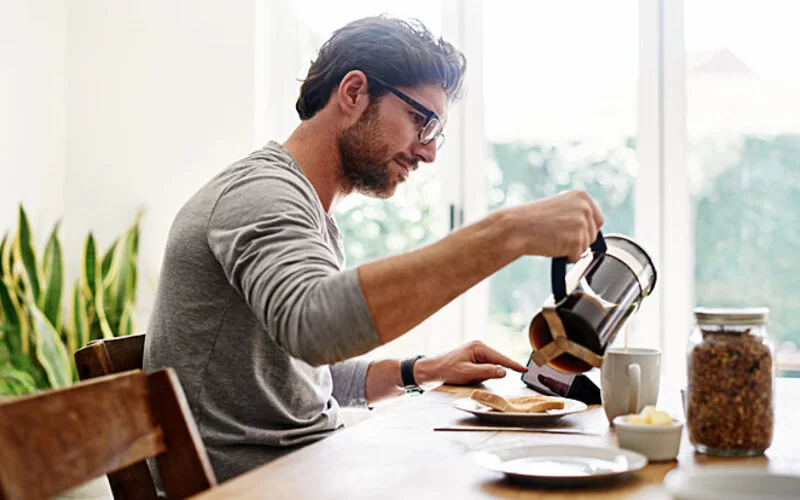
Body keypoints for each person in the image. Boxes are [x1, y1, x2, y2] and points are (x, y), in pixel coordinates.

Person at [144, 15, 604, 482]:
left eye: (435, 133)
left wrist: (422, 370)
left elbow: (306, 376)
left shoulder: (305, 208)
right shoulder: (262, 194)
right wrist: (508, 233)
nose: (428, 153)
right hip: (254, 487)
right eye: (421, 122)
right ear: (353, 93)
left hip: (305, 470)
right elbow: (315, 330)